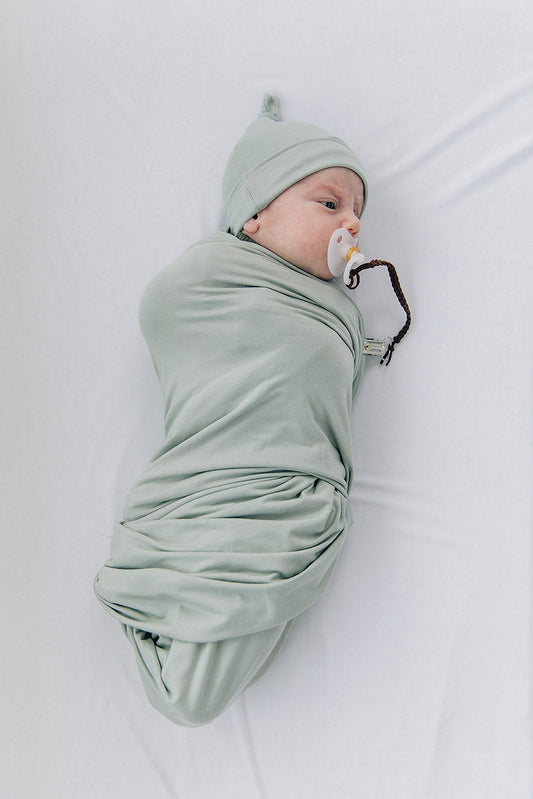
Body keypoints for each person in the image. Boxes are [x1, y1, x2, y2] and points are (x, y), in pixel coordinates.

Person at [94, 94, 370, 726]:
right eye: (330, 204)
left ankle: (174, 609)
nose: (352, 225)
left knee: (196, 693)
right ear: (255, 216)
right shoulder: (207, 280)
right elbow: (170, 314)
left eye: (359, 212)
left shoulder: (337, 310)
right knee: (191, 697)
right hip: (211, 478)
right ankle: (164, 594)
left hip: (293, 502)